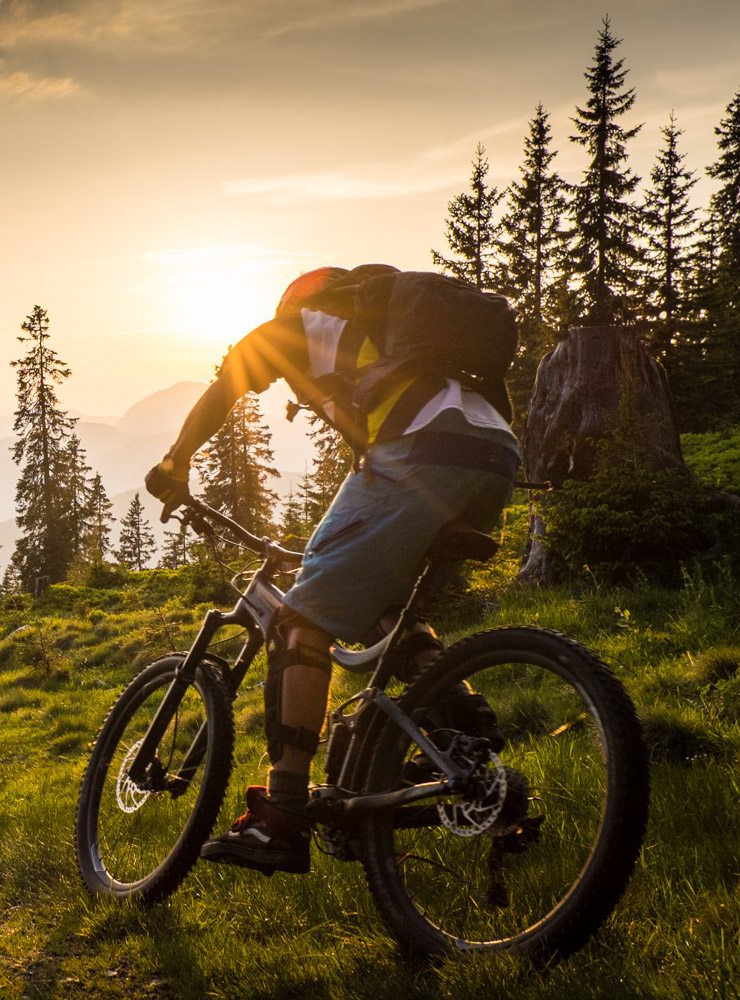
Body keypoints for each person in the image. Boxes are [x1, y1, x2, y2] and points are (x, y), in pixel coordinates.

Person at [144, 264, 520, 875]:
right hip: (494, 453)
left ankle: (282, 816)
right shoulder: (398, 344)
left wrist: (174, 461)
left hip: (425, 446)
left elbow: (227, 385)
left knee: (300, 620)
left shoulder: (300, 323)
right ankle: (463, 753)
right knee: (390, 619)